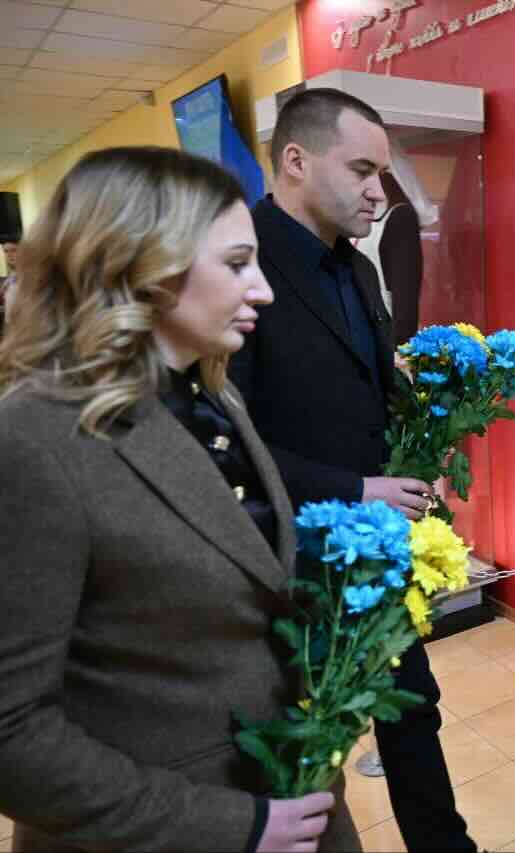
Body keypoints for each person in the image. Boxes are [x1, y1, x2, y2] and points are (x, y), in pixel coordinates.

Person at [0, 146, 357, 852]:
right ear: (141, 265)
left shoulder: (212, 395)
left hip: (289, 792)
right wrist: (232, 827)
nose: (264, 291)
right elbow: (11, 731)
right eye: (236, 264)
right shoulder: (33, 438)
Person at [228, 88, 476, 852]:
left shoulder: (359, 272)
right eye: (363, 170)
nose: (379, 191)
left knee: (411, 707)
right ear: (296, 161)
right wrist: (359, 489)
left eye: (382, 172)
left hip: (376, 549)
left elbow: (367, 396)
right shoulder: (241, 269)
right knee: (306, 746)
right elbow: (234, 444)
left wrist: (431, 421)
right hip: (289, 561)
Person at [0, 235, 18, 334]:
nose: (9, 255)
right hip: (11, 331)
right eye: (6, 251)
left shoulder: (30, 277)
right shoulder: (9, 280)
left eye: (14, 250)